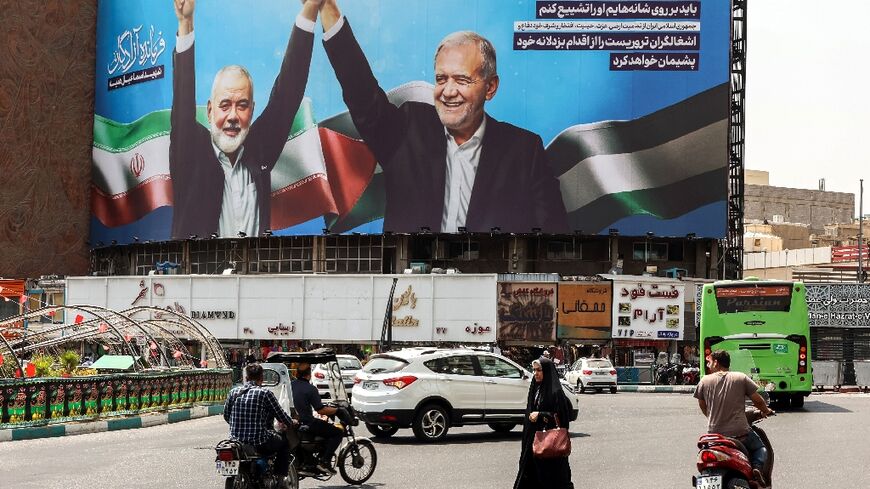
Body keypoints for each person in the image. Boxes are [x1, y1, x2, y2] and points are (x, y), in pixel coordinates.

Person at [316, 0, 569, 234]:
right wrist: (328, 9)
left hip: (487, 281)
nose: (448, 91)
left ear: (490, 88)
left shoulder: (525, 150)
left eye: (462, 80)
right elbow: (362, 93)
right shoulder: (407, 128)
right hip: (414, 282)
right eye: (441, 79)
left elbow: (553, 237)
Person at [169, 0, 321, 239]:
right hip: (200, 276)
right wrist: (185, 23)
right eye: (225, 105)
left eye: (242, 106)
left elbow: (287, 93)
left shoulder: (258, 150)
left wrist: (311, 8)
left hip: (253, 275)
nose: (233, 117)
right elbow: (182, 100)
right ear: (210, 111)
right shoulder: (190, 151)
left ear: (252, 110)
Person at [694, 350, 775, 486]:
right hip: (740, 433)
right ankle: (756, 468)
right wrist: (765, 411)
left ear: (716, 362)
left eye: (709, 362)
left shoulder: (705, 380)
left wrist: (712, 417)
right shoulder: (740, 377)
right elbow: (758, 401)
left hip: (714, 434)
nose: (708, 365)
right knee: (760, 448)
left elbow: (703, 405)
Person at [224, 363, 298, 487]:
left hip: (235, 440)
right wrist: (292, 422)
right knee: (284, 443)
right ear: (261, 378)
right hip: (258, 440)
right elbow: (281, 416)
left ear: (246, 378)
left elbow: (227, 415)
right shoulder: (264, 393)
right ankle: (281, 480)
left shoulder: (234, 392)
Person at [514, 358, 574, 489]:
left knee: (552, 479)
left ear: (547, 371)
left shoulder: (556, 392)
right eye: (534, 370)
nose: (535, 373)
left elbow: (562, 418)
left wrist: (541, 414)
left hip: (550, 445)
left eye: (539, 370)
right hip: (534, 441)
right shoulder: (535, 388)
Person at [291, 362, 343, 474]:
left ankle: (312, 461)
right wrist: (337, 410)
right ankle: (324, 462)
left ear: (297, 374)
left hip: (294, 422)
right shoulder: (310, 389)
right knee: (338, 433)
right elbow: (321, 410)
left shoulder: (291, 385)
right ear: (309, 375)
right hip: (308, 423)